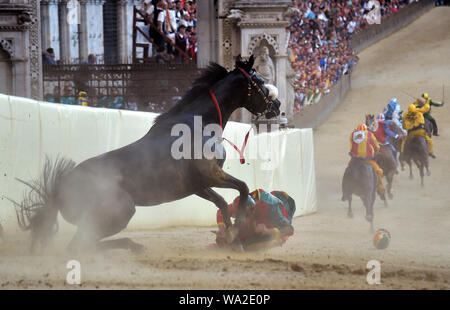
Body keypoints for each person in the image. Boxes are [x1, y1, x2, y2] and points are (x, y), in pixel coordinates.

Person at [215, 189, 296, 251]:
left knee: (250, 245)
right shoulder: (242, 203)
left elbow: (289, 229)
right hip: (262, 208)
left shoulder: (272, 208)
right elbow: (222, 211)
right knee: (240, 238)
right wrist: (222, 231)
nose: (236, 219)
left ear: (251, 211)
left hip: (286, 205)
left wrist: (267, 230)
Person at [349, 124, 386, 199]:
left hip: (355, 160)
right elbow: (376, 146)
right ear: (366, 130)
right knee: (379, 171)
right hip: (367, 160)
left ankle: (346, 191)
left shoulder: (353, 134)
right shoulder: (369, 134)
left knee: (348, 170)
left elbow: (351, 144)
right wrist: (377, 150)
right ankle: (380, 187)